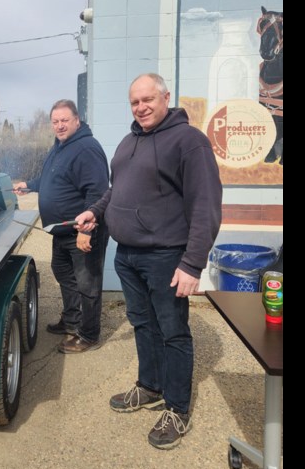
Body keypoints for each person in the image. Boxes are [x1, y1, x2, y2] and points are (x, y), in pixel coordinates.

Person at [75, 73, 222, 449]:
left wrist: (192, 264)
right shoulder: (128, 143)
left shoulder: (190, 142)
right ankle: (150, 386)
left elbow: (206, 205)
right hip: (128, 256)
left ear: (165, 97)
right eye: (134, 102)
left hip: (166, 255)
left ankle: (177, 407)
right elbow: (115, 190)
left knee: (172, 331)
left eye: (148, 99)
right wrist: (95, 211)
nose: (141, 107)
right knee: (142, 323)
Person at [13, 100, 109, 354]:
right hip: (61, 230)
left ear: (77, 120)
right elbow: (52, 177)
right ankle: (72, 320)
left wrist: (86, 231)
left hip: (80, 231)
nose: (59, 126)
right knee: (62, 271)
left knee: (87, 284)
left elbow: (97, 193)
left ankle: (88, 335)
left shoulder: (86, 148)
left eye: (64, 120)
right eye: (55, 121)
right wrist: (30, 184)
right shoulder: (61, 147)